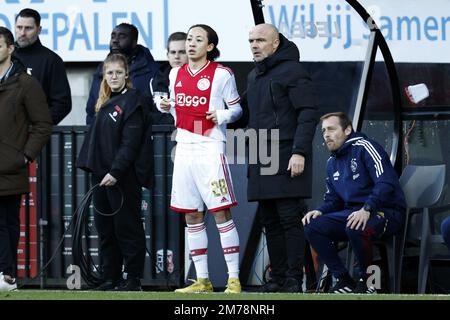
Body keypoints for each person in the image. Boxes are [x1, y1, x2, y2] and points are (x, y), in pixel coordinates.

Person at [157, 24, 242, 293]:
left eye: (197, 40)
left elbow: (238, 108)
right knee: (191, 215)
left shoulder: (222, 74)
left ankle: (233, 278)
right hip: (183, 146)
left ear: (210, 47)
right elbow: (177, 109)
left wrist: (224, 115)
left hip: (210, 146)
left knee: (220, 211)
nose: (191, 44)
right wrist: (167, 106)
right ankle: (202, 280)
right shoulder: (174, 73)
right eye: (189, 38)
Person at [245, 23, 317, 293]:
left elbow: (307, 114)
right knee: (270, 220)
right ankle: (277, 279)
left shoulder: (293, 71)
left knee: (289, 218)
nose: (254, 45)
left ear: (275, 44)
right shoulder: (253, 76)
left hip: (286, 152)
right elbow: (245, 113)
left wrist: (299, 152)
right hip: (262, 153)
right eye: (251, 40)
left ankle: (293, 280)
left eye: (260, 40)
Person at [302, 112, 406, 294]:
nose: (326, 134)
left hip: (385, 212)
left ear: (348, 129)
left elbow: (386, 181)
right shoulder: (331, 163)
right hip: (353, 214)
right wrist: (320, 210)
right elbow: (333, 199)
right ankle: (344, 279)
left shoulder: (365, 147)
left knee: (356, 225)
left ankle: (370, 282)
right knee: (312, 226)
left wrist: (367, 208)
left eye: (332, 129)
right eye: (324, 131)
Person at [77, 53, 147, 291]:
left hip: (123, 177)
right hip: (101, 176)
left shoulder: (133, 100)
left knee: (127, 228)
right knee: (106, 229)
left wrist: (116, 171)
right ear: (104, 76)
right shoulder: (103, 101)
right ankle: (111, 277)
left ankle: (133, 278)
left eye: (118, 72)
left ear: (126, 74)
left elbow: (131, 143)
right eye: (110, 73)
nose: (114, 76)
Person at [0, 26, 52, 292]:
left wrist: (25, 156)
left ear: (10, 49)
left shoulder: (26, 83)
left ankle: (6, 275)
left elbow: (42, 123)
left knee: (7, 222)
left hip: (10, 166)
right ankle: (6, 275)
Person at [85, 23, 159, 125]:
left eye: (122, 36)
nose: (115, 40)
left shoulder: (152, 71)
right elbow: (91, 111)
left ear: (134, 42)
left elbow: (157, 113)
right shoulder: (101, 71)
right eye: (113, 36)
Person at [14, 8, 72, 125]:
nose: (22, 33)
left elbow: (62, 104)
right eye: (19, 27)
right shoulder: (6, 56)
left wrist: (38, 125)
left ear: (39, 30)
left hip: (36, 137)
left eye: (28, 28)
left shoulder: (51, 60)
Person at [150, 31, 187, 124]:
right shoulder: (157, 79)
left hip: (197, 131)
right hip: (166, 134)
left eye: (182, 52)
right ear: (168, 55)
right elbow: (157, 114)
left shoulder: (205, 77)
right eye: (173, 52)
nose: (177, 56)